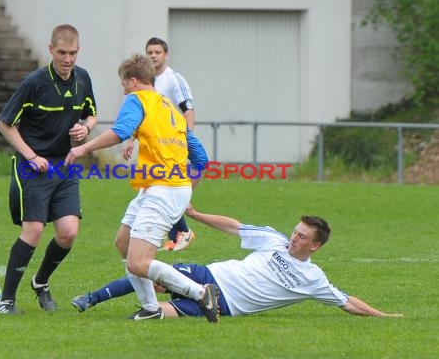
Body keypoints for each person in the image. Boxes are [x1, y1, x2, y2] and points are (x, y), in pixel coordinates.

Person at [65, 54, 219, 323]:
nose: (123, 88)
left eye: (123, 83)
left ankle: (200, 293)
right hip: (163, 187)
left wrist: (84, 147)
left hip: (163, 189)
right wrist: (185, 189)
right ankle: (150, 307)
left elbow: (121, 130)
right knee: (123, 243)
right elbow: (201, 158)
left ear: (134, 81)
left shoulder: (136, 100)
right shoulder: (169, 107)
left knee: (138, 261)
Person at [71, 204, 404, 319]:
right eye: (295, 231)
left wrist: (382, 314)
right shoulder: (274, 239)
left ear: (315, 247)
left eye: (302, 237)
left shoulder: (313, 278)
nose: (294, 238)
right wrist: (198, 215)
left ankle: (139, 313)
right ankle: (92, 298)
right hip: (210, 274)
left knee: (153, 314)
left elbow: (346, 302)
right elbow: (234, 227)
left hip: (224, 306)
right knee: (146, 270)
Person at [0, 24, 98, 315]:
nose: (68, 59)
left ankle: (40, 282)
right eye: (63, 52)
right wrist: (30, 155)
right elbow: (5, 123)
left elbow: (91, 113)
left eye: (73, 53)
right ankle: (6, 301)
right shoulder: (34, 82)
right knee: (34, 231)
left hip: (65, 166)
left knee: (68, 233)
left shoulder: (82, 79)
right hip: (35, 167)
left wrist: (85, 128)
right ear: (51, 49)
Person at [124, 37, 198, 252]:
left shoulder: (174, 79)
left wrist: (185, 142)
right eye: (150, 52)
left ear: (166, 55)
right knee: (154, 191)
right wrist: (131, 139)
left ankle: (177, 233)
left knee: (158, 191)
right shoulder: (146, 81)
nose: (153, 55)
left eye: (157, 52)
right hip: (153, 148)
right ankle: (175, 234)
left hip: (172, 148)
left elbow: (188, 110)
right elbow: (145, 116)